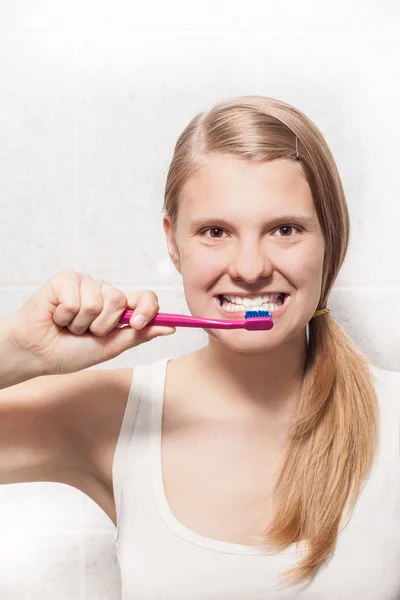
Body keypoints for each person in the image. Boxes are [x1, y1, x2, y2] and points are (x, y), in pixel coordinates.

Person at [1, 95, 399, 598]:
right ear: (173, 242)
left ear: (330, 239)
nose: (251, 268)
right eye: (215, 232)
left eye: (285, 229)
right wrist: (16, 349)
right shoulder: (110, 415)